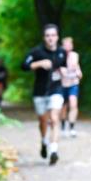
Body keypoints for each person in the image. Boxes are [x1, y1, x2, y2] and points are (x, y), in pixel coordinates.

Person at [21, 24, 67, 165]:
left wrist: (66, 73)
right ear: (44, 37)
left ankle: (54, 150)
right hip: (40, 91)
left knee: (54, 118)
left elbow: (64, 67)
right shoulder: (36, 52)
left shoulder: (62, 52)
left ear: (57, 37)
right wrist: (38, 64)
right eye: (47, 36)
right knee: (43, 120)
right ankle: (44, 141)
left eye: (53, 35)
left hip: (56, 90)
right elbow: (23, 65)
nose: (50, 38)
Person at [59, 36, 83, 138]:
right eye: (66, 45)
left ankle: (72, 128)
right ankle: (63, 127)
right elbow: (62, 72)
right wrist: (71, 72)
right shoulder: (59, 56)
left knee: (73, 105)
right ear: (62, 46)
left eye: (70, 45)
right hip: (62, 84)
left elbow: (78, 70)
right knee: (63, 107)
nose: (68, 47)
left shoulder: (75, 56)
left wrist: (78, 73)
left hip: (73, 84)